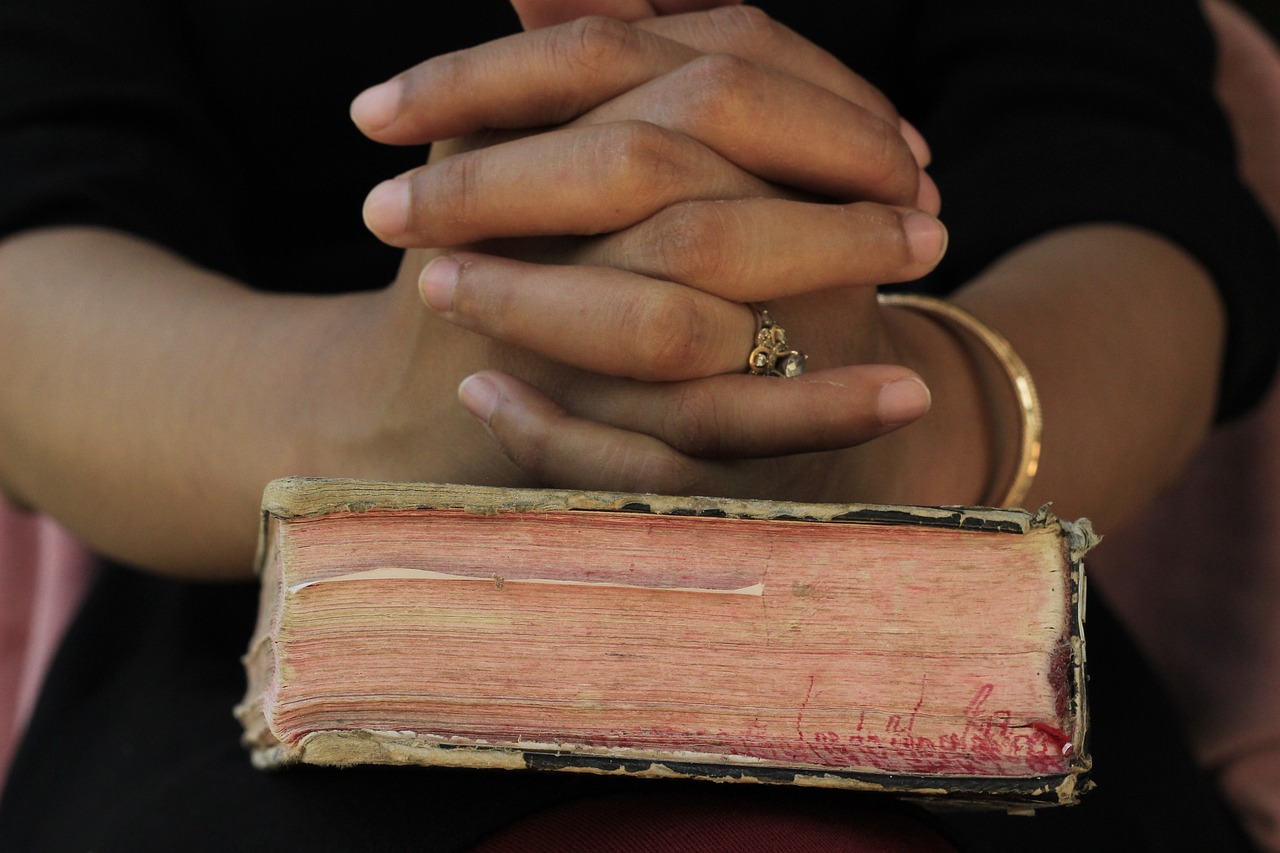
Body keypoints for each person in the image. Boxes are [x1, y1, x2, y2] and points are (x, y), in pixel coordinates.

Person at [0, 0, 1275, 849]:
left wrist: (909, 428)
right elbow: (34, 258)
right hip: (255, 594)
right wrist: (385, 406)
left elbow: (1138, 204)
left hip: (930, 612)